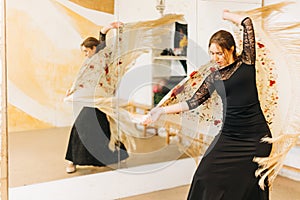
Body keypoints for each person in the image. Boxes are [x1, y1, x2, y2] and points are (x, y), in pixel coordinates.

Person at [143, 10, 272, 200]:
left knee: (246, 185)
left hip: (256, 137)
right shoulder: (214, 77)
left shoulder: (246, 62)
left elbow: (247, 23)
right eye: (211, 53)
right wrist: (161, 110)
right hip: (229, 135)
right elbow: (192, 102)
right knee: (204, 176)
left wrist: (227, 15)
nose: (215, 58)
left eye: (219, 53)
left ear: (230, 50)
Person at [65, 21, 129, 173]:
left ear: (94, 49)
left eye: (86, 51)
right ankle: (72, 161)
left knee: (106, 129)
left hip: (102, 99)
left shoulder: (103, 56)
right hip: (91, 99)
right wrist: (72, 90)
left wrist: (110, 28)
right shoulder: (89, 62)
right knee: (81, 127)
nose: (85, 55)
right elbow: (81, 79)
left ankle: (117, 158)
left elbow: (104, 39)